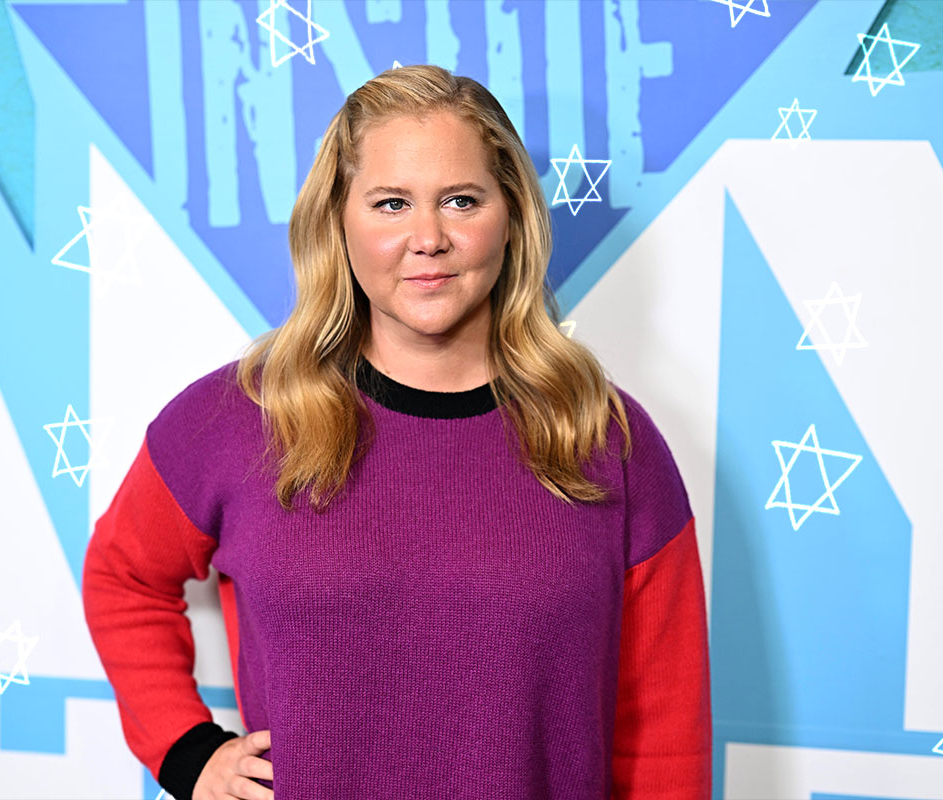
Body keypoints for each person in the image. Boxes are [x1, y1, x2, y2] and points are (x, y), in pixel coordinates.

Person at [82, 65, 710, 800]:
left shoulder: (606, 439)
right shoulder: (238, 418)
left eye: (460, 200)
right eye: (390, 203)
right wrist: (188, 752)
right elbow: (121, 576)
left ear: (510, 216)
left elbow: (665, 735)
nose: (428, 238)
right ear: (339, 223)